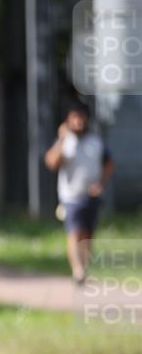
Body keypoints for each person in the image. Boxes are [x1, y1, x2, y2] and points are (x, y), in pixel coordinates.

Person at [44, 102, 115, 284]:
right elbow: (52, 162)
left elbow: (109, 165)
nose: (78, 122)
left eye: (80, 117)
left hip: (92, 196)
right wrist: (61, 139)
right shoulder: (65, 142)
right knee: (75, 233)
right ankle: (78, 271)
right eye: (74, 118)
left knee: (87, 235)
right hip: (71, 197)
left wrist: (101, 184)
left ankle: (84, 267)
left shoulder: (96, 142)